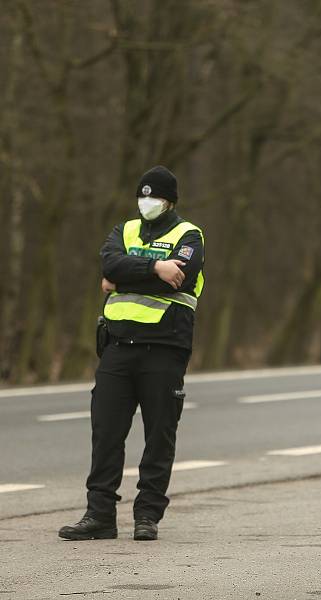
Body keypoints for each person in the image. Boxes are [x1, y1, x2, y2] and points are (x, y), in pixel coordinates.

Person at [58, 166, 205, 542]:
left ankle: (147, 515)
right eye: (142, 195)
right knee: (105, 432)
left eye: (153, 196)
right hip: (117, 348)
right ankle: (100, 515)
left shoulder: (188, 234)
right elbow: (109, 264)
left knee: (159, 433)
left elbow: (182, 278)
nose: (146, 202)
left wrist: (122, 277)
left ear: (169, 200)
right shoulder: (123, 230)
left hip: (165, 348)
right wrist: (155, 266)